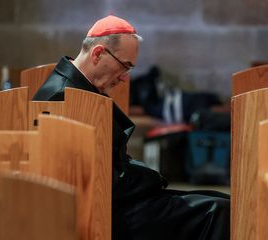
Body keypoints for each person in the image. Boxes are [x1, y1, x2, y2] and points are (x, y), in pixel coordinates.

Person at [33, 14, 230, 240]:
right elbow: (92, 178)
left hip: (114, 201)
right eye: (124, 66)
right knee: (218, 212)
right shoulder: (64, 96)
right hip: (99, 213)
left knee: (218, 201)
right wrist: (151, 177)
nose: (125, 78)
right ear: (97, 53)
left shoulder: (77, 86)